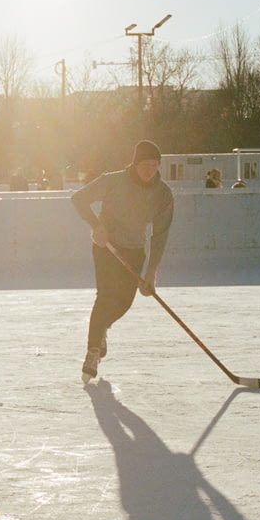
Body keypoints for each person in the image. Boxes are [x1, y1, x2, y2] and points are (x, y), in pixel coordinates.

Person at [71, 140, 174, 383]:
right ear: (135, 164)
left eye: (154, 165)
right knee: (106, 296)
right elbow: (78, 199)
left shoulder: (163, 193)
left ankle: (101, 329)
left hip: (135, 251)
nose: (150, 170)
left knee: (124, 302)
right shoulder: (112, 180)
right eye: (145, 165)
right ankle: (93, 351)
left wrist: (151, 272)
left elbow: (160, 234)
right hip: (107, 247)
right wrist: (97, 226)